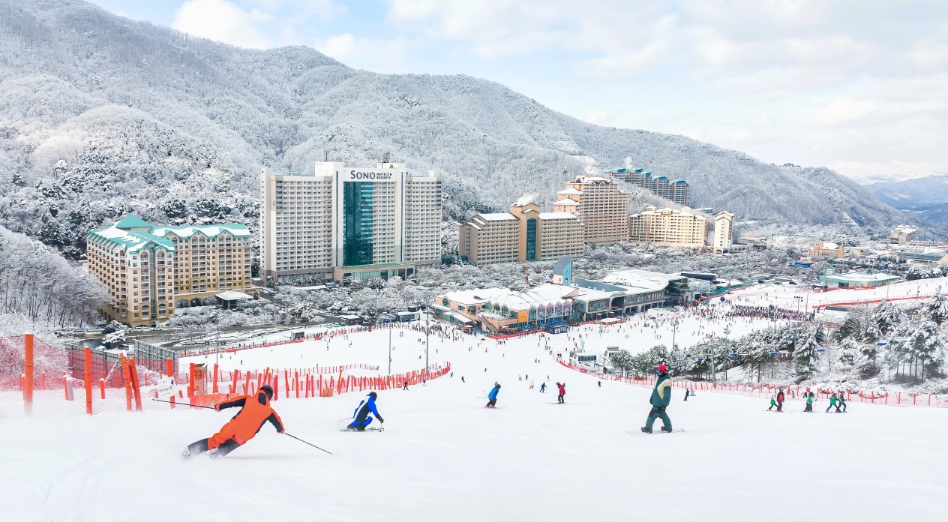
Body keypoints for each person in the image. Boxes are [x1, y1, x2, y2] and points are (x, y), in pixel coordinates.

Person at [183, 385, 284, 458]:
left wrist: (218, 406)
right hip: (245, 435)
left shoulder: (248, 399)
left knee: (217, 439)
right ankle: (217, 453)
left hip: (233, 427)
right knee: (235, 442)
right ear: (270, 397)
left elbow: (231, 402)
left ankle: (190, 451)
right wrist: (280, 430)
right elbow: (278, 424)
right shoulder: (270, 411)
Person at [641, 364, 672, 433]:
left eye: (659, 371)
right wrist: (652, 398)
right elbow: (655, 390)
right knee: (663, 415)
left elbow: (667, 394)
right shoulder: (658, 378)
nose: (657, 373)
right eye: (657, 371)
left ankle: (648, 428)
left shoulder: (666, 381)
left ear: (664, 371)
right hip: (656, 401)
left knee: (651, 415)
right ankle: (668, 427)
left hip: (660, 403)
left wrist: (664, 404)